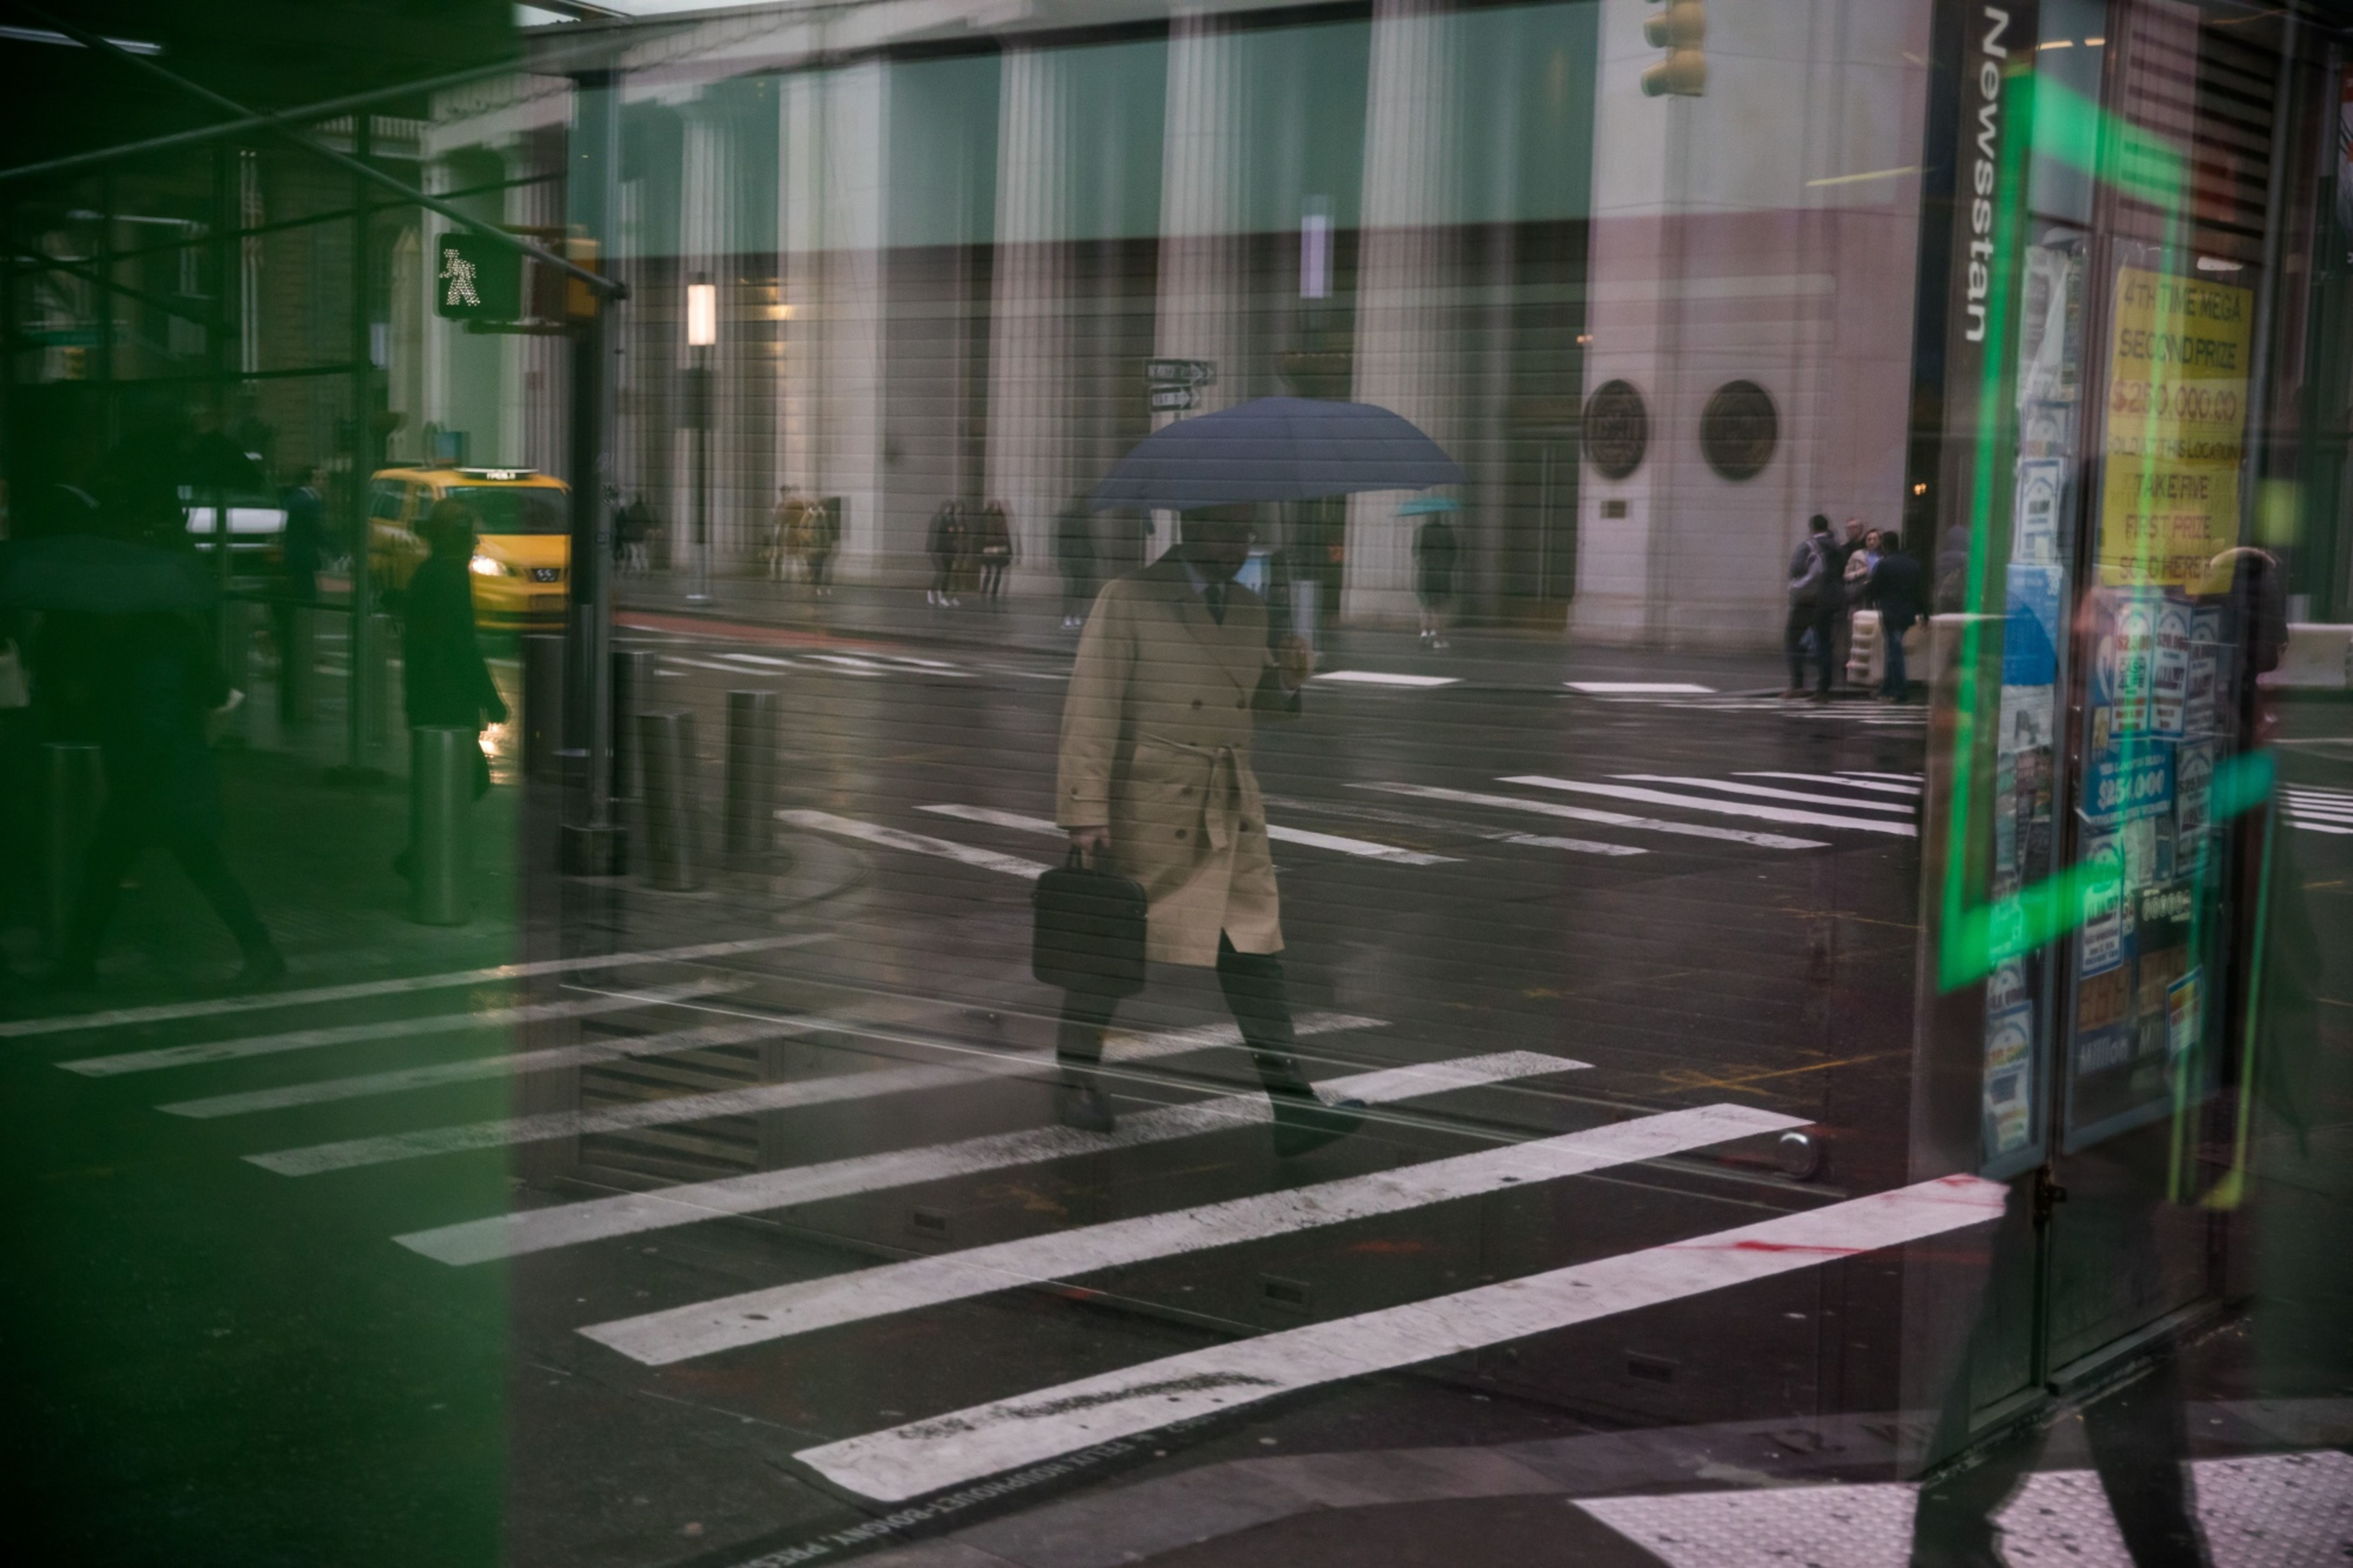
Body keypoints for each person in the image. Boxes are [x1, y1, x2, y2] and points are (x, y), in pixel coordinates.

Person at [1052, 506, 1365, 1157]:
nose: (1238, 543)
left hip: (1227, 808)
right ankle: (1076, 1077)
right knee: (1111, 955)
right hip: (1149, 807)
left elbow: (1257, 706)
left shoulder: (1251, 611)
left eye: (1244, 531)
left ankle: (1293, 1104)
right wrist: (1085, 809)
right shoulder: (1129, 598)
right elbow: (1092, 704)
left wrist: (1288, 678)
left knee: (1255, 953)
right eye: (1224, 530)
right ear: (1191, 529)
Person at [49, 507, 284, 990]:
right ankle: (259, 951)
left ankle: (78, 963)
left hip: (152, 781)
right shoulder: (177, 635)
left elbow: (148, 719)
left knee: (120, 869)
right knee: (189, 867)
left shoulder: (142, 647)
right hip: (177, 777)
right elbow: (217, 691)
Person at [396, 499, 508, 875]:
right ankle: (424, 856)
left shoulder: (431, 571)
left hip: (427, 695)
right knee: (470, 779)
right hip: (447, 698)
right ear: (457, 536)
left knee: (447, 780)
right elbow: (463, 644)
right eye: (471, 534)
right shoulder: (450, 575)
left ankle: (422, 856)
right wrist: (491, 700)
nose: (476, 542)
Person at [275, 467, 324, 726]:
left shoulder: (296, 500)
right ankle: (293, 644)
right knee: (306, 603)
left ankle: (294, 643)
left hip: (297, 558)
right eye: (320, 478)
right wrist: (339, 552)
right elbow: (317, 533)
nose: (325, 482)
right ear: (309, 480)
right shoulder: (307, 502)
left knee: (303, 603)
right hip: (303, 560)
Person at [1784, 513, 1841, 700]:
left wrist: (1794, 588)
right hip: (1831, 601)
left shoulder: (1808, 547)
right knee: (1825, 644)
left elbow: (1797, 571)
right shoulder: (1838, 548)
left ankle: (1798, 684)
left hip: (1808, 602)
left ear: (1812, 528)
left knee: (1793, 640)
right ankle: (1823, 688)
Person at [1867, 528, 1922, 701]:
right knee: (1893, 648)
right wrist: (1925, 612)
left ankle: (1900, 690)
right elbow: (1919, 590)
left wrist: (1873, 599)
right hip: (1908, 612)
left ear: (1885, 545)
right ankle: (1889, 687)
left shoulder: (1884, 564)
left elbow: (1874, 589)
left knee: (1895, 650)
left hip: (1891, 611)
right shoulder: (1913, 563)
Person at [1412, 510, 1460, 649]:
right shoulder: (1447, 531)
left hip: (1426, 572)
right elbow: (1454, 552)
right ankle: (1439, 639)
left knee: (1425, 604)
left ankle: (1424, 632)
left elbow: (1416, 553)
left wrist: (1423, 565)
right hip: (1442, 573)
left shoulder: (1421, 531)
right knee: (1440, 607)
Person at [1056, 503, 1096, 629]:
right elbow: (1063, 542)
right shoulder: (1070, 521)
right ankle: (1068, 616)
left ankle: (1074, 615)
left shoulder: (1081, 521)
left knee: (1078, 589)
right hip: (1073, 560)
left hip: (1079, 560)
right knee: (1072, 589)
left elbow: (1087, 541)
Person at [926, 499, 966, 608]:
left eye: (951, 508)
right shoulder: (939, 519)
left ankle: (942, 596)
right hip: (939, 550)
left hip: (948, 550)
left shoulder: (951, 519)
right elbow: (936, 537)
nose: (949, 510)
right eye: (948, 508)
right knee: (942, 572)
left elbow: (952, 536)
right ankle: (932, 592)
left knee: (947, 573)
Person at [976, 500, 1014, 604]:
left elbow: (1006, 534)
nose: (997, 507)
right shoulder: (986, 518)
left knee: (998, 571)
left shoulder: (1002, 518)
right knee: (989, 571)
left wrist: (1009, 549)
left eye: (998, 505)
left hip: (1000, 546)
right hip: (989, 546)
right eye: (996, 505)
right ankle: (984, 591)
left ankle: (994, 593)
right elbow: (981, 533)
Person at [803, 495, 838, 597]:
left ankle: (816, 587)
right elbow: (801, 530)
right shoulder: (809, 515)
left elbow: (829, 533)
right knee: (813, 566)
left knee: (819, 567)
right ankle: (814, 585)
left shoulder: (825, 517)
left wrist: (828, 546)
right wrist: (809, 537)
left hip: (821, 547)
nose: (819, 507)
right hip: (811, 547)